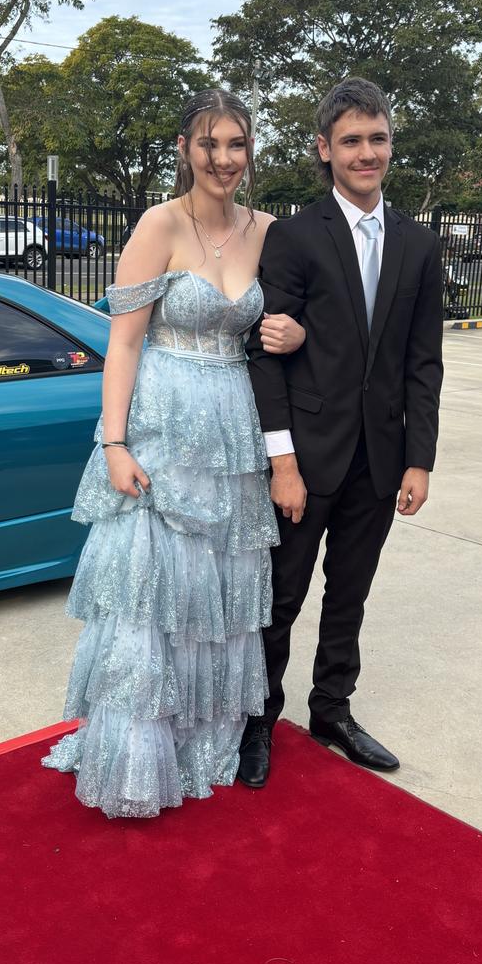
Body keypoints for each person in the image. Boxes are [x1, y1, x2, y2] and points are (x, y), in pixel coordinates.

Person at [43, 89, 305, 818]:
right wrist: (115, 442)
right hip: (160, 427)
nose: (223, 160)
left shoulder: (269, 231)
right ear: (186, 151)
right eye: (209, 144)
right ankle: (136, 757)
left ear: (251, 153)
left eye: (237, 145)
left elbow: (286, 326)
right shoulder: (159, 224)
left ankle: (202, 739)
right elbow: (122, 342)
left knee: (216, 596)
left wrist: (298, 336)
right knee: (151, 598)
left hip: (231, 432)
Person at [238, 77, 444, 787]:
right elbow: (267, 355)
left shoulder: (418, 244)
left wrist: (419, 459)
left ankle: (332, 711)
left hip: (380, 460)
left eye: (377, 139)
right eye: (351, 141)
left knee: (349, 593)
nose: (367, 153)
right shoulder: (293, 238)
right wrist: (282, 463)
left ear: (391, 144)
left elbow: (423, 360)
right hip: (308, 459)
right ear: (323, 149)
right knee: (280, 599)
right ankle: (257, 722)